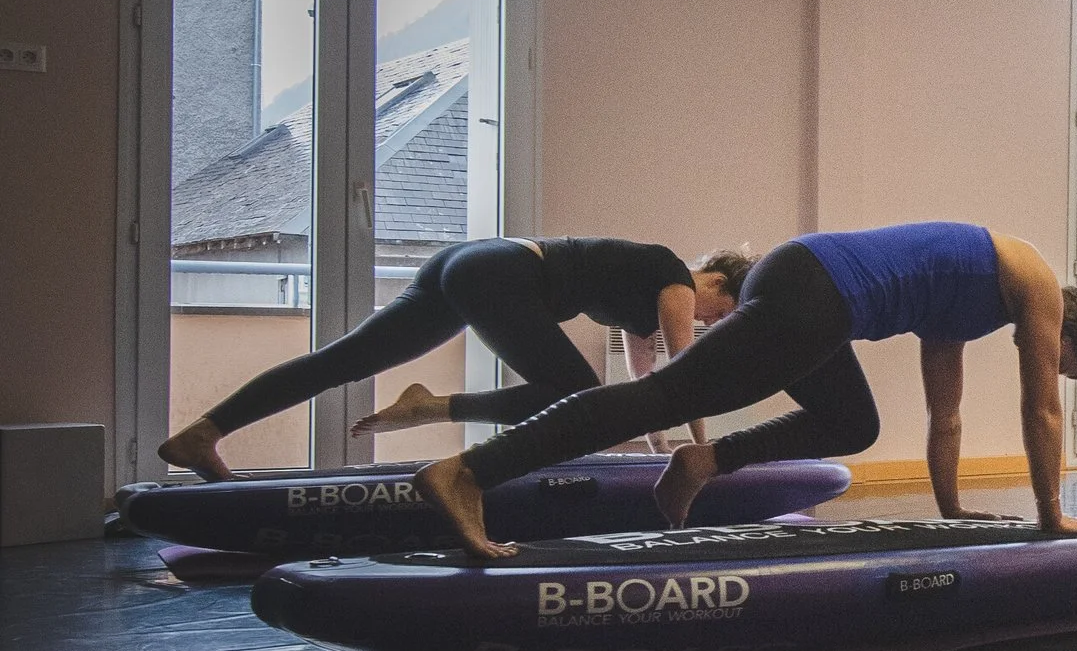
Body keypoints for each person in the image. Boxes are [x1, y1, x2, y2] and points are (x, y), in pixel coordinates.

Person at [411, 221, 1077, 557]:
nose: (1045, 363)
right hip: (815, 290)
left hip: (814, 284)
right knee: (667, 396)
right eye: (1061, 359)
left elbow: (946, 414)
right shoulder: (1036, 280)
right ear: (1070, 331)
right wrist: (1053, 515)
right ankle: (469, 472)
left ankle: (702, 462)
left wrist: (954, 508)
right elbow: (1041, 409)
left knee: (851, 423)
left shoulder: (970, 298)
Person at [159, 236, 744, 480]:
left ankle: (202, 433)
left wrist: (664, 455)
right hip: (500, 273)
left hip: (467, 265)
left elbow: (648, 393)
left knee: (344, 360)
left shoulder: (647, 302)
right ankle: (432, 407)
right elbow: (684, 375)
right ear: (716, 279)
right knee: (575, 394)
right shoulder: (673, 278)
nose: (714, 322)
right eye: (724, 311)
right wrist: (701, 446)